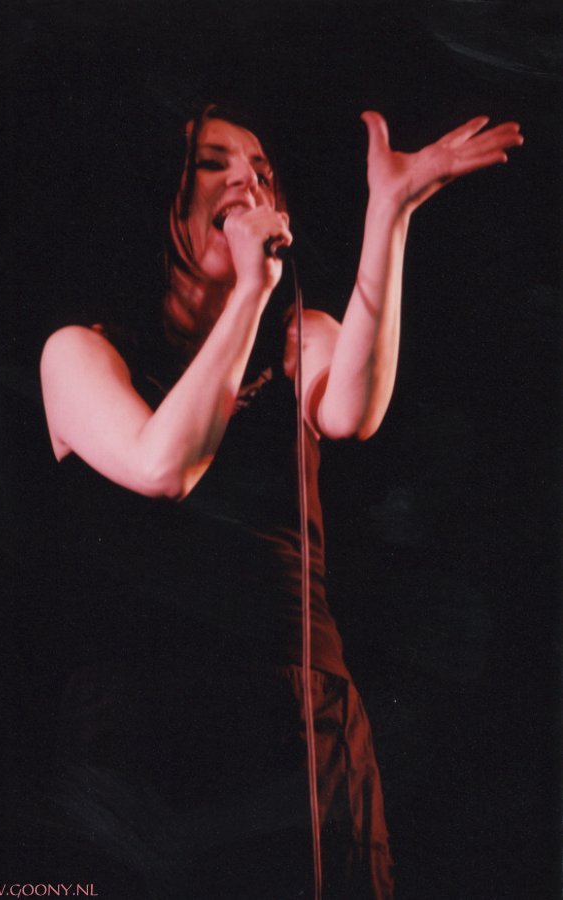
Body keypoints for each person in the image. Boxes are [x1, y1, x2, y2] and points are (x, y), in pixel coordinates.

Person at [39, 103, 522, 898]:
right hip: (144, 710)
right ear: (160, 195)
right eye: (213, 162)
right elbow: (165, 465)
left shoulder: (302, 336)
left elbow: (354, 410)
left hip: (297, 709)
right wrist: (251, 293)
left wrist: (389, 214)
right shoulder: (80, 353)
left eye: (262, 170)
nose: (248, 181)